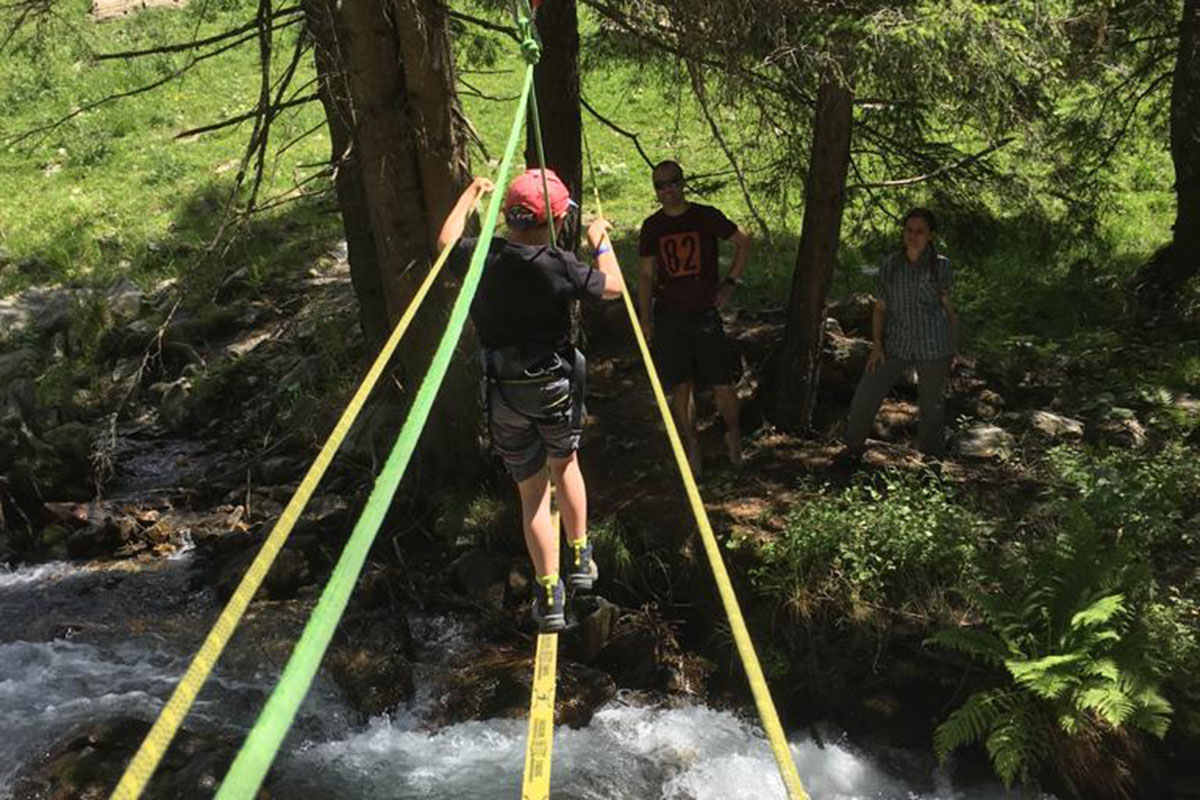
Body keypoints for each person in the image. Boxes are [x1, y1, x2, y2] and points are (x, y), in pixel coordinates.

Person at [437, 169, 624, 633]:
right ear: (559, 218)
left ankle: (548, 592)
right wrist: (600, 240)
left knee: (532, 494)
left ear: (508, 214)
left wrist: (470, 195)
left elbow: (445, 243)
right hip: (552, 388)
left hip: (503, 392)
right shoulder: (556, 263)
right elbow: (614, 287)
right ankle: (580, 559)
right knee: (566, 465)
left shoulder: (485, 255)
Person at [637, 160, 751, 474]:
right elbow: (646, 276)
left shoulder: (705, 216)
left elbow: (743, 240)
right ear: (655, 190)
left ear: (683, 183)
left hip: (704, 313)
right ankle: (692, 446)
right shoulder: (652, 226)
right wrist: (646, 319)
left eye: (673, 182)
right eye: (660, 186)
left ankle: (734, 437)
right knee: (681, 386)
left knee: (722, 383)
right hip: (670, 315)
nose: (668, 190)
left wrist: (730, 283)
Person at [841, 208, 960, 463]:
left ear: (930, 235)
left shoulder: (941, 266)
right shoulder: (890, 265)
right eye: (909, 230)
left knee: (931, 407)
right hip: (897, 342)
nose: (913, 236)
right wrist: (877, 346)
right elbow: (880, 308)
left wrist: (954, 348)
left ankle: (932, 463)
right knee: (867, 391)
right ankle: (852, 448)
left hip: (934, 344)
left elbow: (949, 309)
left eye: (920, 231)